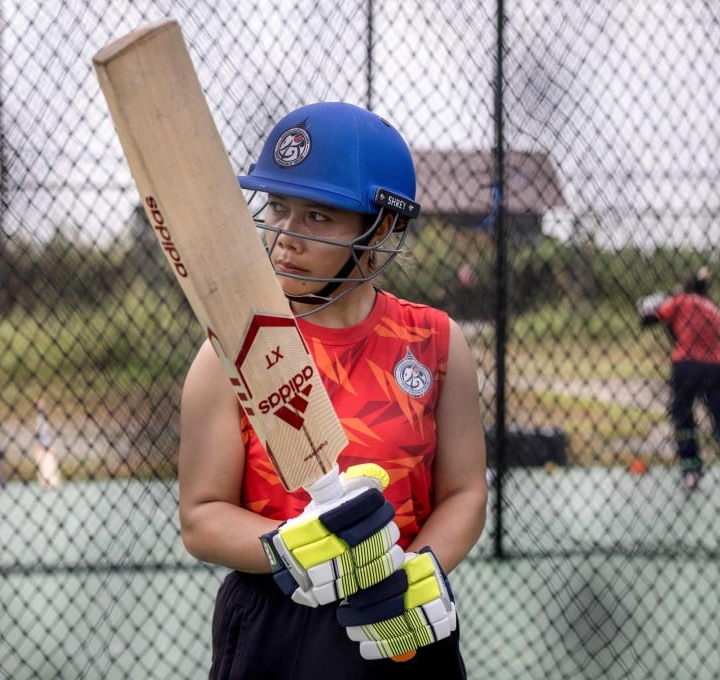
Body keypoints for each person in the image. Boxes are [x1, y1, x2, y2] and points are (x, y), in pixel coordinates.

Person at [178, 102, 488, 679]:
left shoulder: (436, 342)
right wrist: (283, 549)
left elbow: (466, 491)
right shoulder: (235, 345)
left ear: (383, 228)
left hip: (400, 619)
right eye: (277, 207)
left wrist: (423, 572)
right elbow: (200, 515)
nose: (285, 237)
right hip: (279, 621)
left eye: (319, 217)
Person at [638, 266, 720, 502]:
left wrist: (650, 308)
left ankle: (690, 470)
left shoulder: (681, 301)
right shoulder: (714, 310)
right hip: (715, 367)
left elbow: (654, 316)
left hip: (685, 366)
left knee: (682, 417)